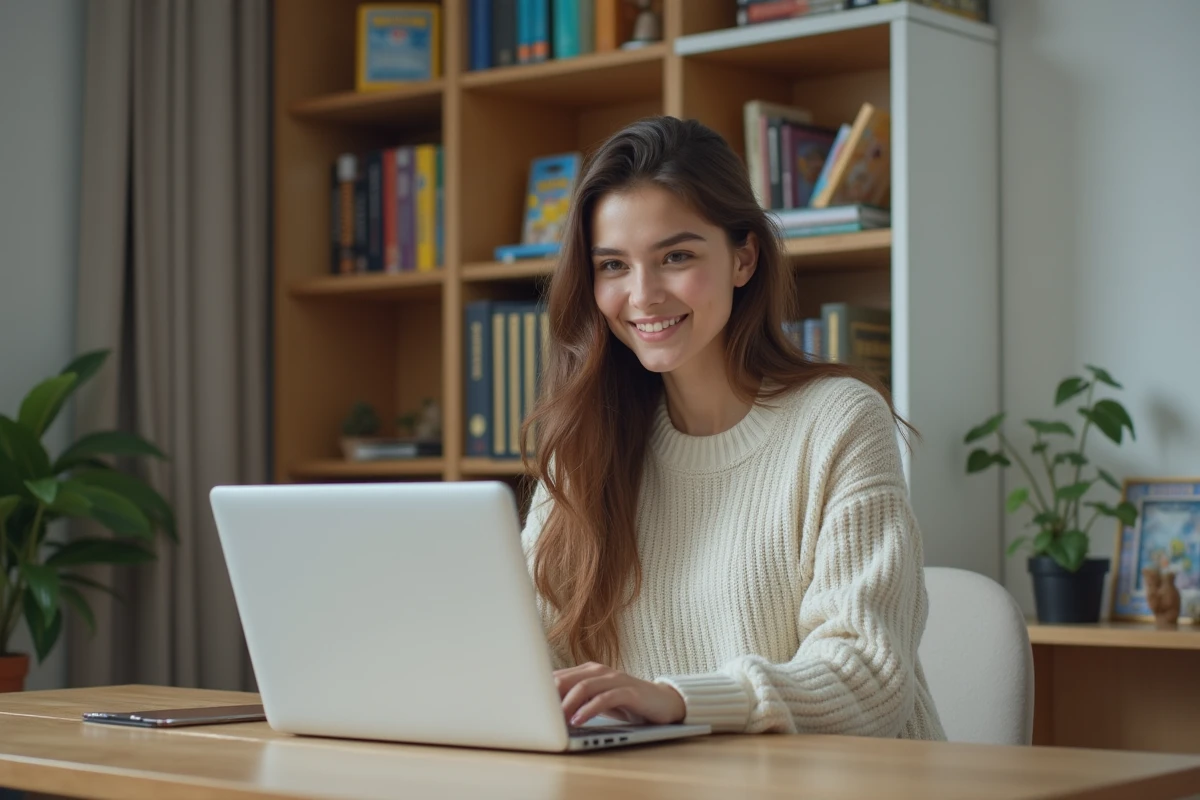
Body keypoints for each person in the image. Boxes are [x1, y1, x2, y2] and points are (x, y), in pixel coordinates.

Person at [519, 116, 945, 740]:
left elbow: (867, 677)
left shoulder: (839, 421)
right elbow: (534, 660)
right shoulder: (584, 445)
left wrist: (679, 700)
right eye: (613, 265)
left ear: (743, 257)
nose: (643, 295)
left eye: (676, 257)